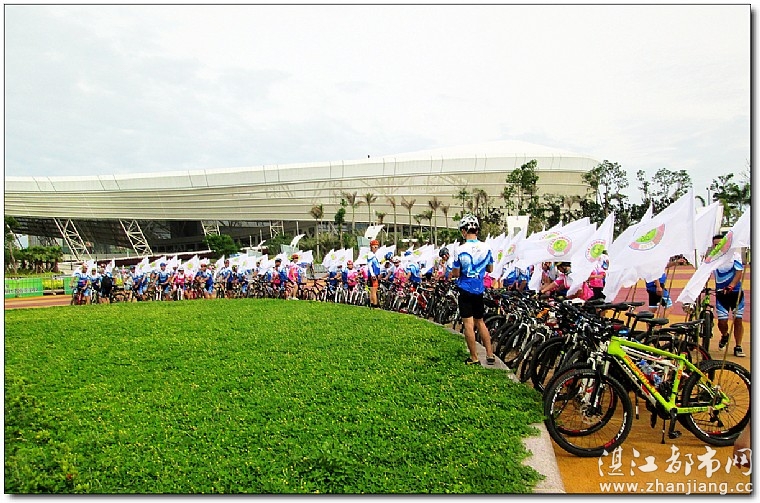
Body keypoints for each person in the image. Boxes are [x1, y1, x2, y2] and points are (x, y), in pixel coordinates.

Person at [451, 214, 496, 366]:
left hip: (465, 290)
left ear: (464, 231)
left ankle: (474, 357)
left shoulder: (459, 249)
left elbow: (456, 273)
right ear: (477, 230)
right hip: (479, 290)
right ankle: (490, 354)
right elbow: (490, 269)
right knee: (480, 322)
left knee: (468, 324)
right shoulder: (487, 247)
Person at [712, 234, 746, 357]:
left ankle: (738, 346)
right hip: (721, 294)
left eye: (720, 244)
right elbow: (704, 273)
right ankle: (725, 335)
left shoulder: (734, 255)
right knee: (722, 322)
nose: (718, 247)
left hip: (736, 293)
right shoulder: (712, 258)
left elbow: (739, 272)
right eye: (716, 245)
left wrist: (731, 285)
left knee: (738, 320)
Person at [367, 239, 382, 308]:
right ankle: (375, 305)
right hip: (373, 275)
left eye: (377, 247)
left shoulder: (374, 255)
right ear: (371, 247)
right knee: (374, 290)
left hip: (375, 274)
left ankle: (372, 303)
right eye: (374, 247)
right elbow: (370, 266)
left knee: (372, 290)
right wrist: (373, 274)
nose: (376, 248)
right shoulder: (370, 255)